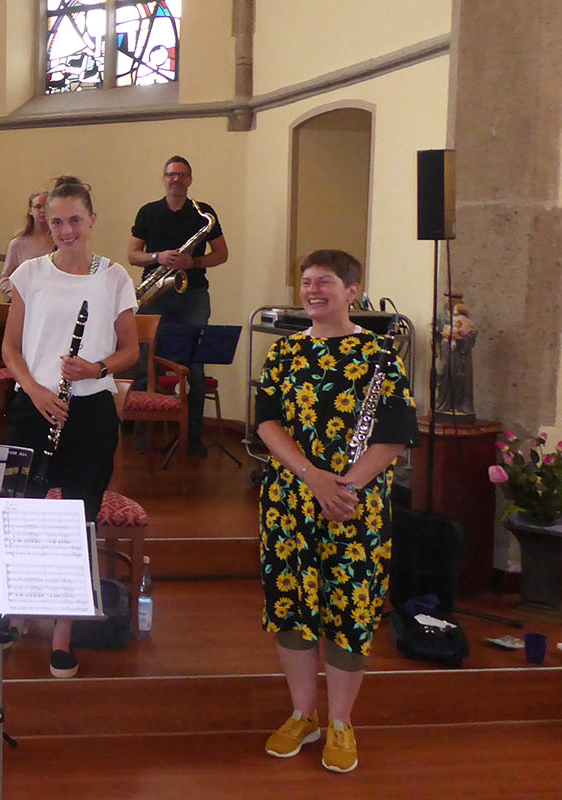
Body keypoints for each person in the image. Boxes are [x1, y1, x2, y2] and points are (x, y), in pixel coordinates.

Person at [0, 176, 137, 678]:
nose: (64, 229)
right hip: (33, 407)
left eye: (74, 220)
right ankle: (6, 619)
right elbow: (10, 349)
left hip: (91, 411)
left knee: (77, 521)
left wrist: (98, 369)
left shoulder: (114, 276)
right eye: (56, 220)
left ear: (92, 219)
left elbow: (129, 349)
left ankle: (64, 630)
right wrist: (35, 390)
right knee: (19, 518)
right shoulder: (30, 273)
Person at [254, 249, 417, 773]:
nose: (312, 290)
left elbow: (394, 437)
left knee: (350, 610)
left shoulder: (381, 355)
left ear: (352, 291)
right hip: (292, 501)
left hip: (354, 505)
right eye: (306, 281)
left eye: (325, 281)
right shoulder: (283, 353)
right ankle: (304, 713)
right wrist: (314, 478)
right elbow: (266, 424)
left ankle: (342, 721)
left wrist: (342, 487)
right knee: (293, 605)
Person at [127, 155, 228, 457]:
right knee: (146, 365)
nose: (176, 179)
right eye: (171, 174)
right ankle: (146, 438)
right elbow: (132, 255)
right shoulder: (148, 212)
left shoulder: (204, 213)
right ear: (164, 178)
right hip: (155, 293)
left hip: (193, 293)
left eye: (182, 174)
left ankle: (193, 440)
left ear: (190, 180)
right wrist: (158, 257)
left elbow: (221, 254)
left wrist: (193, 261)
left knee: (194, 367)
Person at [0, 191, 53, 298]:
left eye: (46, 207)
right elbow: (5, 280)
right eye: (38, 207)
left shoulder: (61, 242)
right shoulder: (17, 244)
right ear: (30, 210)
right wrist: (20, 296)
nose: (42, 211)